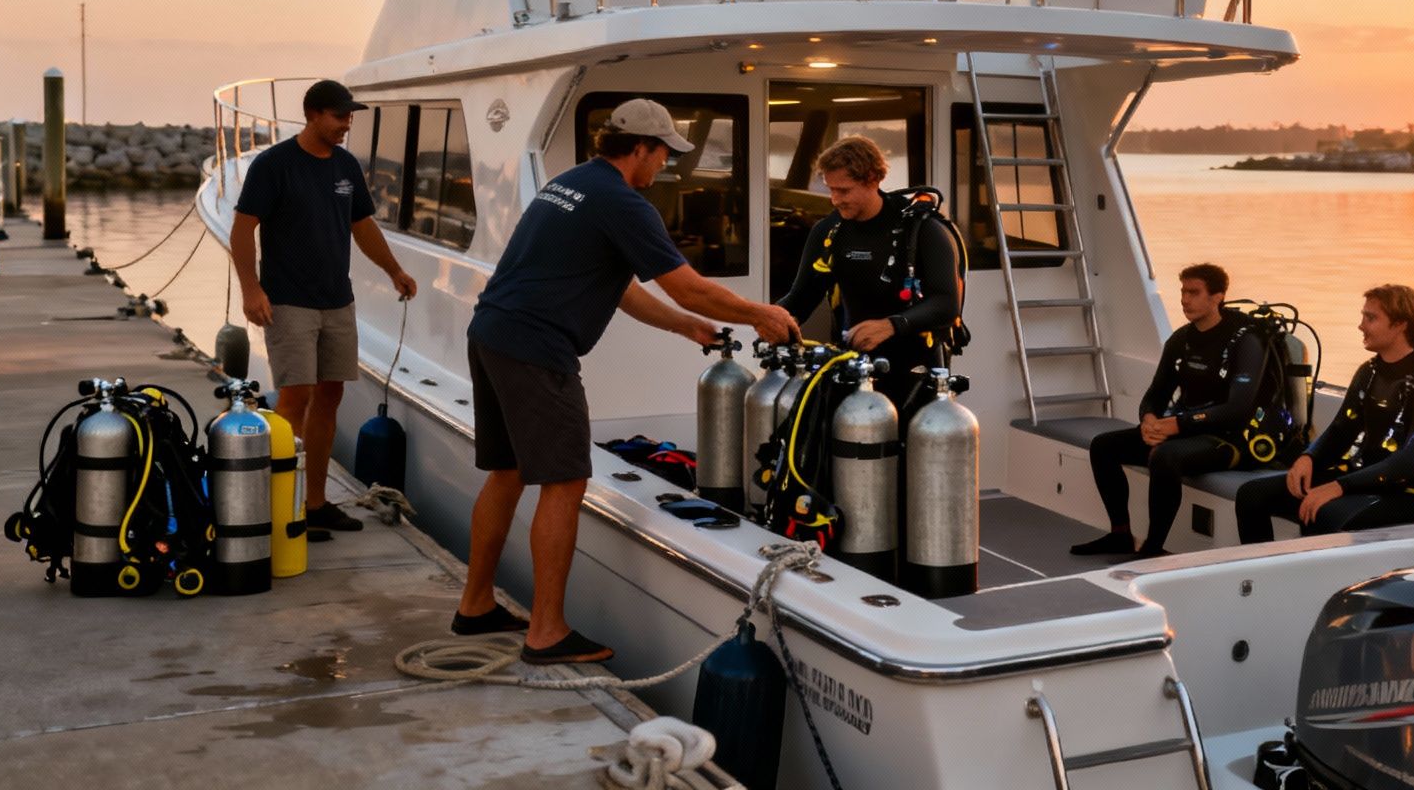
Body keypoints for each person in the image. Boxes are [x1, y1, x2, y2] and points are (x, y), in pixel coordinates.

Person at [455, 98, 800, 665]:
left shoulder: (571, 185)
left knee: (508, 471)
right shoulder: (623, 202)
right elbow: (688, 285)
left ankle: (474, 607)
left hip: (492, 332)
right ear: (639, 148)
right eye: (664, 153)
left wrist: (685, 326)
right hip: (537, 349)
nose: (666, 164)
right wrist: (757, 313)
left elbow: (621, 287)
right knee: (564, 481)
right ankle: (546, 633)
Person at [230, 78, 418, 540]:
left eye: (349, 117)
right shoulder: (275, 165)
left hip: (338, 301)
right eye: (339, 117)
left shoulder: (345, 166)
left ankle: (315, 503)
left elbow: (362, 225)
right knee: (295, 399)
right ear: (312, 114)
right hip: (289, 301)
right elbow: (242, 231)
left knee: (331, 398)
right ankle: (284, 507)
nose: (346, 125)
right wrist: (251, 290)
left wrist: (394, 269)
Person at [1234, 284, 1414, 543]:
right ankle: (1262, 578)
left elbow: (1410, 464)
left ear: (1400, 325)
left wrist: (1339, 487)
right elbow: (1340, 431)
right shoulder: (1369, 373)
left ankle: (1323, 583)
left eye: (1371, 318)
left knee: (1323, 513)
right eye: (1363, 316)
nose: (1361, 325)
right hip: (1369, 477)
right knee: (1252, 496)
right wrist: (1308, 458)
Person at [1070, 264, 1266, 558]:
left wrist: (1178, 425)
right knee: (1104, 446)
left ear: (1218, 297)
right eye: (1183, 292)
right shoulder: (1181, 340)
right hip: (1184, 430)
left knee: (1164, 456)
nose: (1185, 300)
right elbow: (1155, 395)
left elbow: (1237, 410)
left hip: (1228, 440)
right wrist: (1149, 420)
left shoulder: (1245, 342)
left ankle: (1152, 547)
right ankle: (1121, 534)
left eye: (1194, 292)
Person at [775, 135, 962, 412]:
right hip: (852, 370)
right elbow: (802, 297)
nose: (835, 200)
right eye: (831, 189)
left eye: (844, 190)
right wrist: (765, 318)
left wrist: (890, 325)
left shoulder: (921, 231)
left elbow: (946, 304)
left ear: (873, 179)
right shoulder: (828, 232)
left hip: (915, 376)